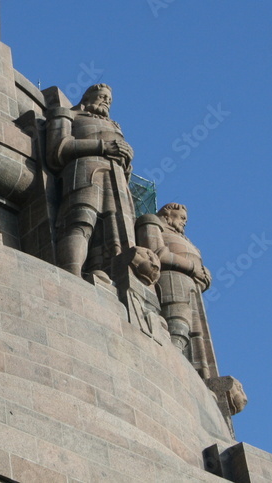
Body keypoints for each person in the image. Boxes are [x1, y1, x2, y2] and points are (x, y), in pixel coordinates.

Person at [48, 83, 134, 281]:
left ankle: (106, 279)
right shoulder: (69, 115)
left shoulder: (115, 126)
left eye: (109, 100)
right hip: (86, 172)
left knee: (114, 234)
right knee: (81, 221)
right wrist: (104, 147)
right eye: (102, 96)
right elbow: (58, 148)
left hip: (117, 181)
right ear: (86, 98)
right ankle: (72, 275)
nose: (106, 102)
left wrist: (126, 159)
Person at [136, 202, 214, 377]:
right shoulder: (152, 222)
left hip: (191, 286)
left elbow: (200, 273)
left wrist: (204, 276)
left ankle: (179, 363)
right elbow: (157, 253)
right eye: (182, 218)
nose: (184, 222)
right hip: (171, 277)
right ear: (168, 214)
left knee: (189, 331)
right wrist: (193, 267)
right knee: (176, 322)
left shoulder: (188, 242)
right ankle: (169, 359)